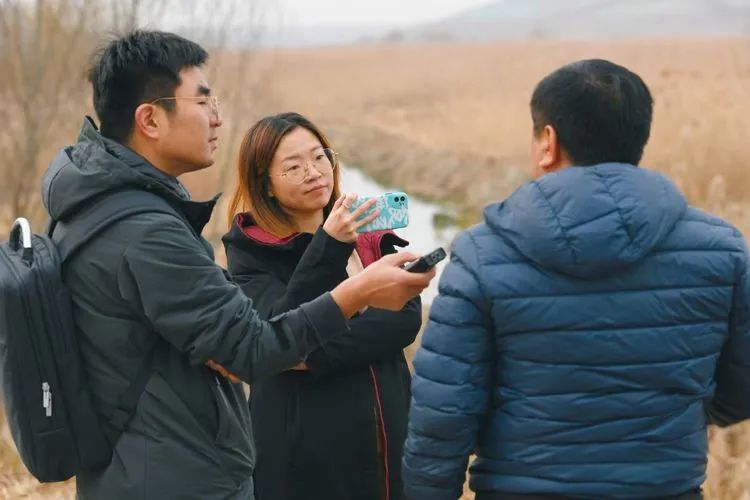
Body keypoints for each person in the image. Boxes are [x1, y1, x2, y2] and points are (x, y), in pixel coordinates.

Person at [40, 30, 434, 500]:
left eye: (319, 158)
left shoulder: (105, 207)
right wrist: (360, 293)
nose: (217, 117)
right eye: (202, 101)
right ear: (150, 119)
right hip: (171, 477)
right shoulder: (145, 231)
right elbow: (256, 347)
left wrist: (264, 347)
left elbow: (250, 342)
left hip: (160, 465)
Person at [402, 59, 750, 499]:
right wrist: (670, 417)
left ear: (548, 142)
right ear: (638, 136)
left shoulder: (482, 253)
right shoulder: (722, 249)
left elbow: (443, 415)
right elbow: (740, 392)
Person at [222, 112, 421, 500]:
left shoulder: (367, 232)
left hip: (389, 436)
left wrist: (312, 355)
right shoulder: (251, 251)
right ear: (265, 184)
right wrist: (329, 245)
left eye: (319, 157)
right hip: (305, 454)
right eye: (293, 166)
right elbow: (276, 336)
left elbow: (404, 318)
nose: (314, 173)